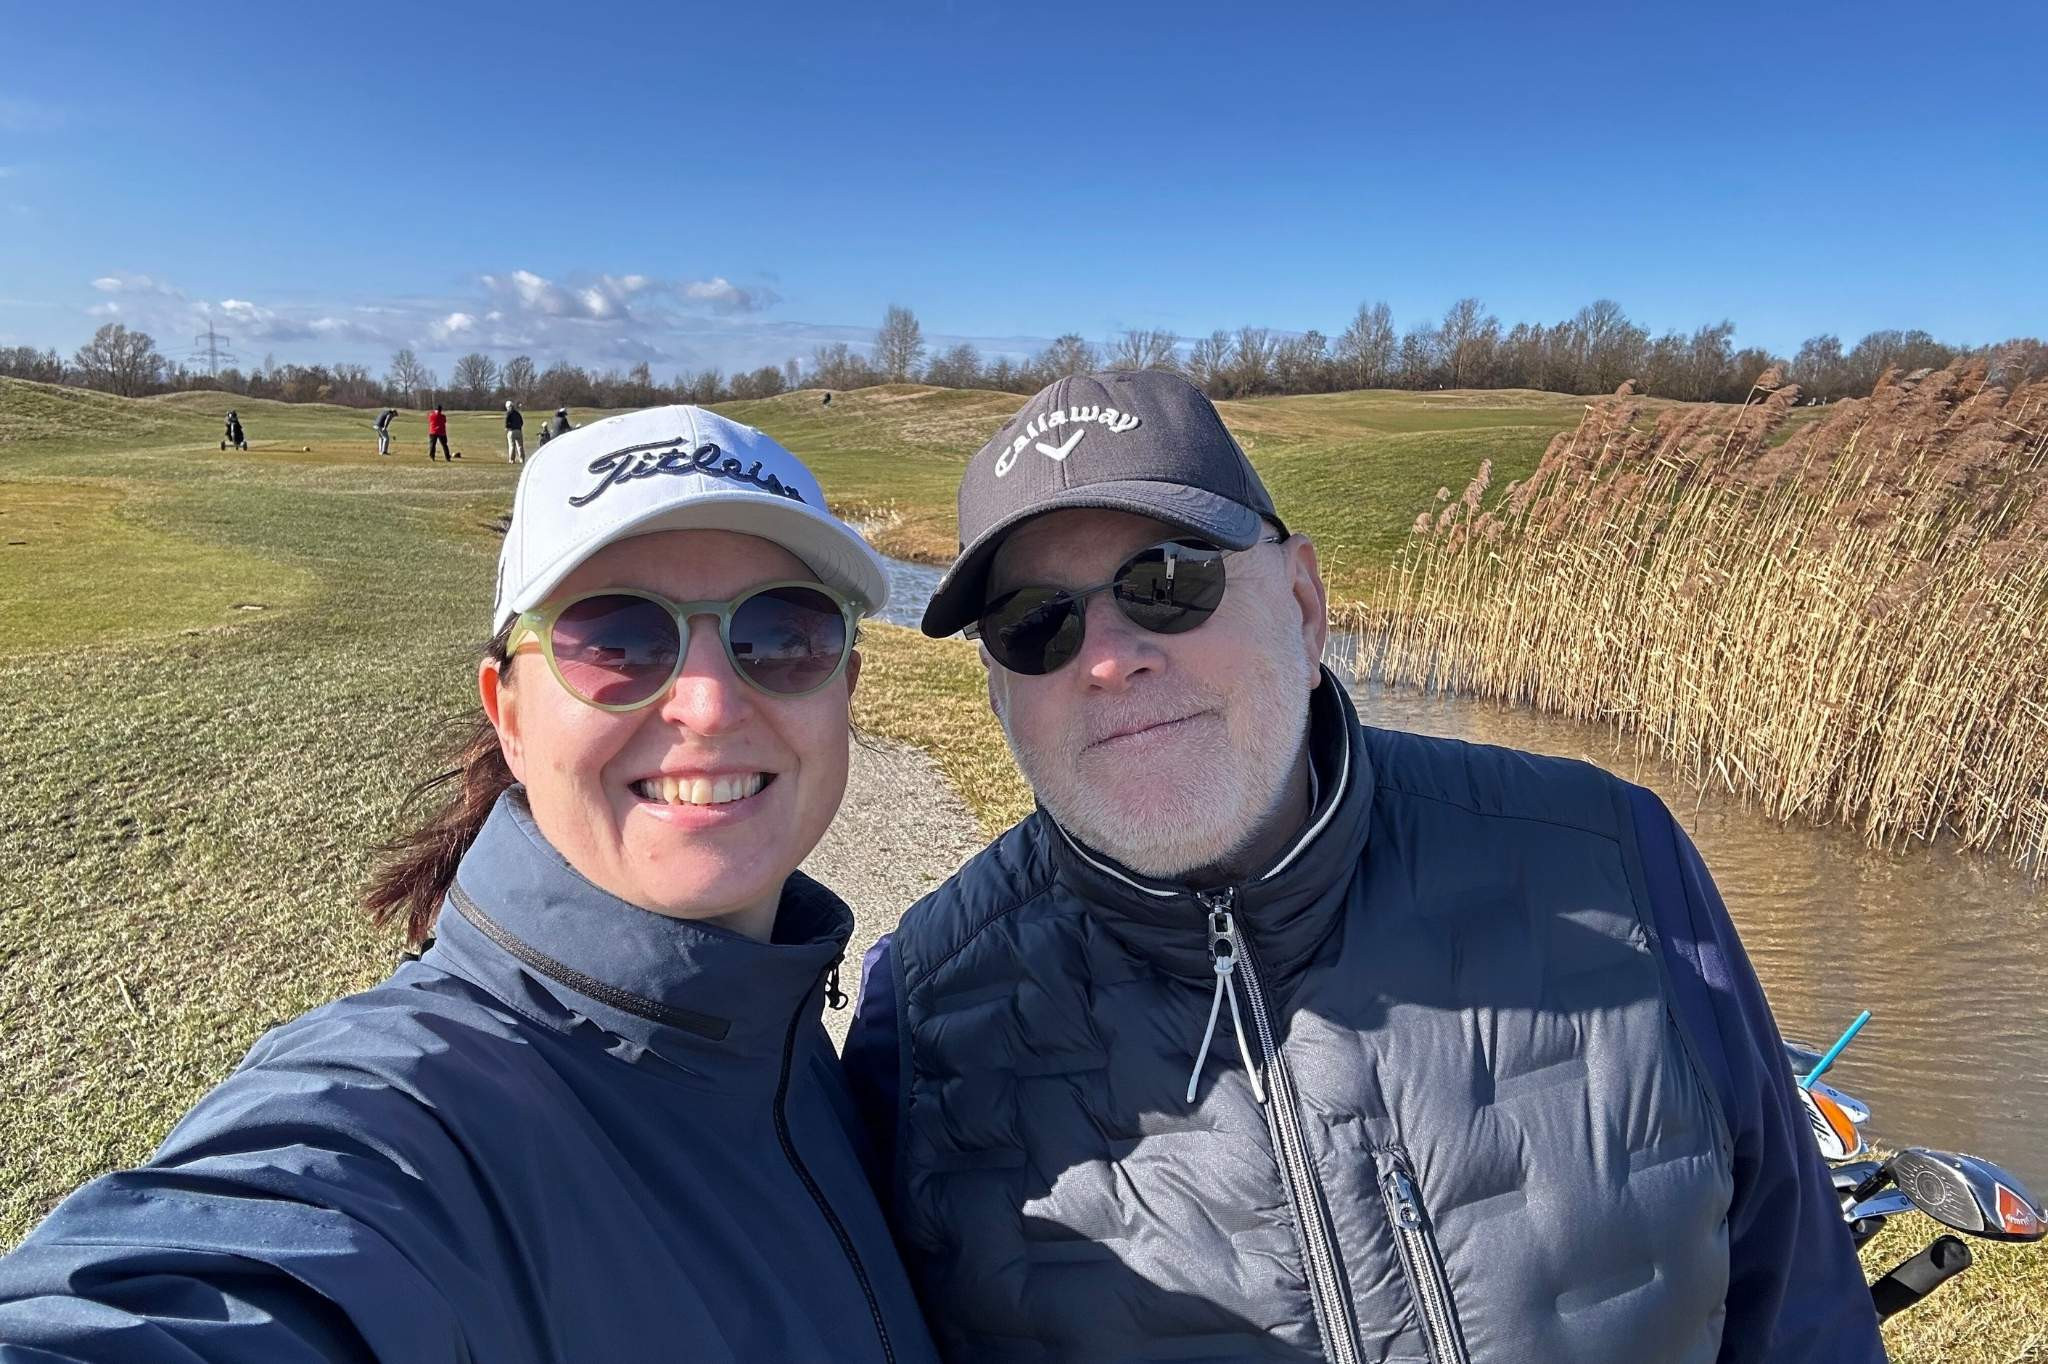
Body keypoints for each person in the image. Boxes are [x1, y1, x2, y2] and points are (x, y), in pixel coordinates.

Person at [844, 369, 1885, 1363]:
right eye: (1034, 625)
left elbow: (1800, 1312)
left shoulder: (1612, 858)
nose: (1109, 656)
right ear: (994, 693)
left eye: (1169, 580)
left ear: (1302, 603)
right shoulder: (925, 1011)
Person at [0, 406, 940, 1364]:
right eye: (616, 640)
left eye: (784, 635)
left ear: (846, 687)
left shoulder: (787, 1035)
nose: (708, 704)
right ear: (511, 719)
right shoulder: (416, 1117)